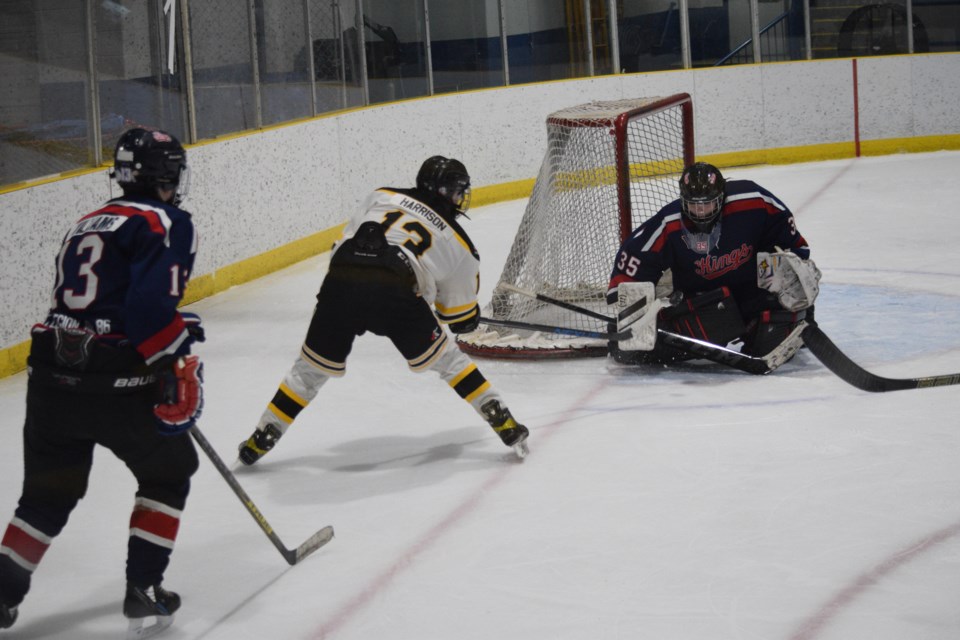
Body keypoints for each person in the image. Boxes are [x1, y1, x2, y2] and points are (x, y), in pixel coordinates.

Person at [0, 128, 204, 637]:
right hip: (117, 382)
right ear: (166, 176)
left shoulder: (86, 221)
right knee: (169, 471)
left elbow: (90, 304)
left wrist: (176, 329)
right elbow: (146, 312)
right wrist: (177, 356)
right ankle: (144, 589)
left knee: (46, 495)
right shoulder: (167, 220)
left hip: (51, 373)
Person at [238, 155, 529, 464]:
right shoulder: (460, 245)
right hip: (395, 293)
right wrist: (466, 318)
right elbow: (457, 317)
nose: (460, 198)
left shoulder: (382, 195)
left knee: (309, 370)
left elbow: (348, 240)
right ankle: (500, 417)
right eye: (458, 192)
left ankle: (263, 434)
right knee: (449, 361)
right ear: (449, 193)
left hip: (341, 282)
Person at [607, 162, 820, 366]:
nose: (701, 212)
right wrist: (626, 299)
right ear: (683, 200)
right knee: (629, 351)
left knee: (772, 342)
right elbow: (635, 255)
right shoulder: (669, 223)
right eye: (693, 204)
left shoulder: (753, 200)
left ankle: (793, 320)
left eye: (707, 203)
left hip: (753, 293)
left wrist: (793, 268)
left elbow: (790, 242)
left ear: (721, 197)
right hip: (708, 304)